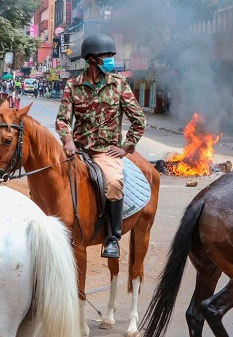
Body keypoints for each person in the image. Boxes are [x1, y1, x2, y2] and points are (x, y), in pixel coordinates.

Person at [56, 33, 146, 259]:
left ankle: (112, 238)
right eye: (106, 56)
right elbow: (62, 120)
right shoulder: (73, 85)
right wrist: (67, 139)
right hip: (76, 149)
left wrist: (126, 147)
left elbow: (139, 120)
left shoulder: (118, 84)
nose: (110, 60)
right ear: (92, 58)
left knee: (114, 183)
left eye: (110, 56)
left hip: (105, 152)